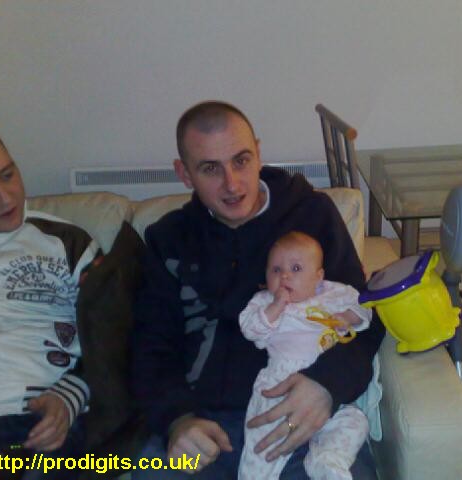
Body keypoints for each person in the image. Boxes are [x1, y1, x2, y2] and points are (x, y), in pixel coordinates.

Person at [131, 101, 385, 479]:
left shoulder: (312, 216)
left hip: (301, 414)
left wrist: (327, 385)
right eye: (210, 168)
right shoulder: (168, 239)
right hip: (205, 426)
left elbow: (364, 316)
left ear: (259, 154)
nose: (232, 184)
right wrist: (177, 420)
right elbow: (150, 346)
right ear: (184, 173)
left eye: (241, 160)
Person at [0, 121, 97, 478]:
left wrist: (69, 397)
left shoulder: (69, 243)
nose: (6, 198)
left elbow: (114, 334)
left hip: (37, 421)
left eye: (8, 174)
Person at [238, 231, 371, 480]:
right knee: (264, 440)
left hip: (327, 380)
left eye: (296, 268)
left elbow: (364, 306)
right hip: (279, 381)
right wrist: (276, 306)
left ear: (318, 276)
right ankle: (255, 475)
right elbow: (250, 329)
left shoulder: (332, 293)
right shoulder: (263, 301)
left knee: (354, 421)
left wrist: (348, 318)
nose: (284, 276)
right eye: (276, 270)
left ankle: (327, 460)